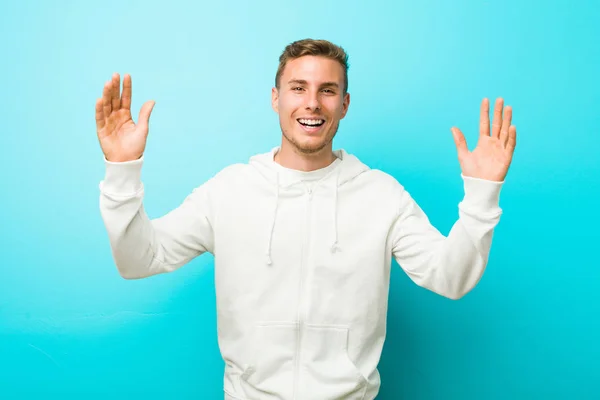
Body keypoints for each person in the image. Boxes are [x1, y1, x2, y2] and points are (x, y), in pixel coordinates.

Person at [95, 39, 517, 400]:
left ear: (345, 104)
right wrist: (122, 169)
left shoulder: (381, 195)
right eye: (298, 88)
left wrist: (482, 195)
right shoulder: (229, 190)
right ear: (276, 97)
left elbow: (450, 277)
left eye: (327, 90)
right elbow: (138, 260)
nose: (312, 103)